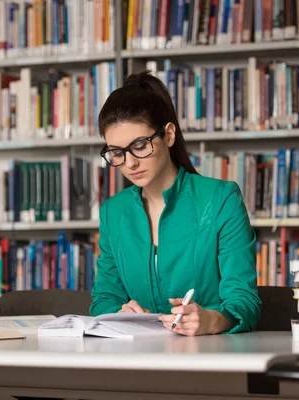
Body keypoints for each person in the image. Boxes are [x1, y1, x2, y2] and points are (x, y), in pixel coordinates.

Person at [89, 70, 261, 336]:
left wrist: (212, 320)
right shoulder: (113, 212)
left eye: (140, 146)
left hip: (210, 355)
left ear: (168, 135)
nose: (130, 162)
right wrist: (120, 313)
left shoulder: (220, 199)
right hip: (139, 356)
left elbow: (244, 300)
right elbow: (103, 299)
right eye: (116, 153)